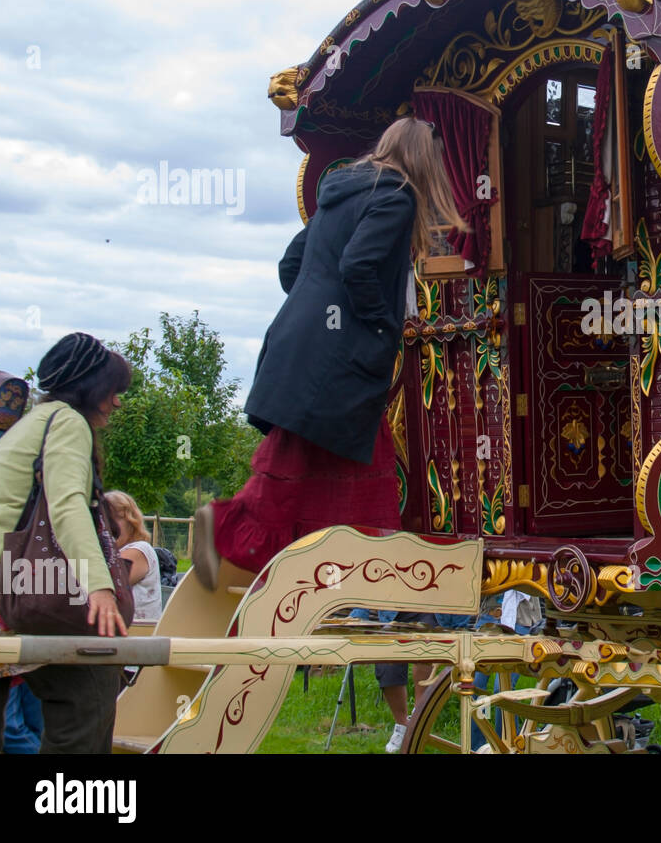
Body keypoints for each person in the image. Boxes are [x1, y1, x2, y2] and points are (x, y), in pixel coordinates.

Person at [193, 117, 464, 590]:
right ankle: (225, 528)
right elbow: (358, 266)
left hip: (301, 350)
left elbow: (291, 264)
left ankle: (310, 566)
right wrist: (383, 328)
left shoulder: (342, 190)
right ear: (424, 157)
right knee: (330, 464)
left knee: (307, 462)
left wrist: (316, 312)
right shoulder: (396, 195)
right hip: (340, 364)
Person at [0, 332, 132, 753]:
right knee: (89, 687)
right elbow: (67, 506)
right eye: (113, 391)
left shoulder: (29, 424)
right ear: (88, 388)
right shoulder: (66, 421)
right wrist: (99, 586)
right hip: (6, 588)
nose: (117, 402)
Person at [104, 491, 161, 623]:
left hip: (138, 635)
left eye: (116, 518)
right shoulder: (110, 553)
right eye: (105, 520)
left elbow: (106, 583)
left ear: (131, 521)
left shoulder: (139, 550)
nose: (109, 526)